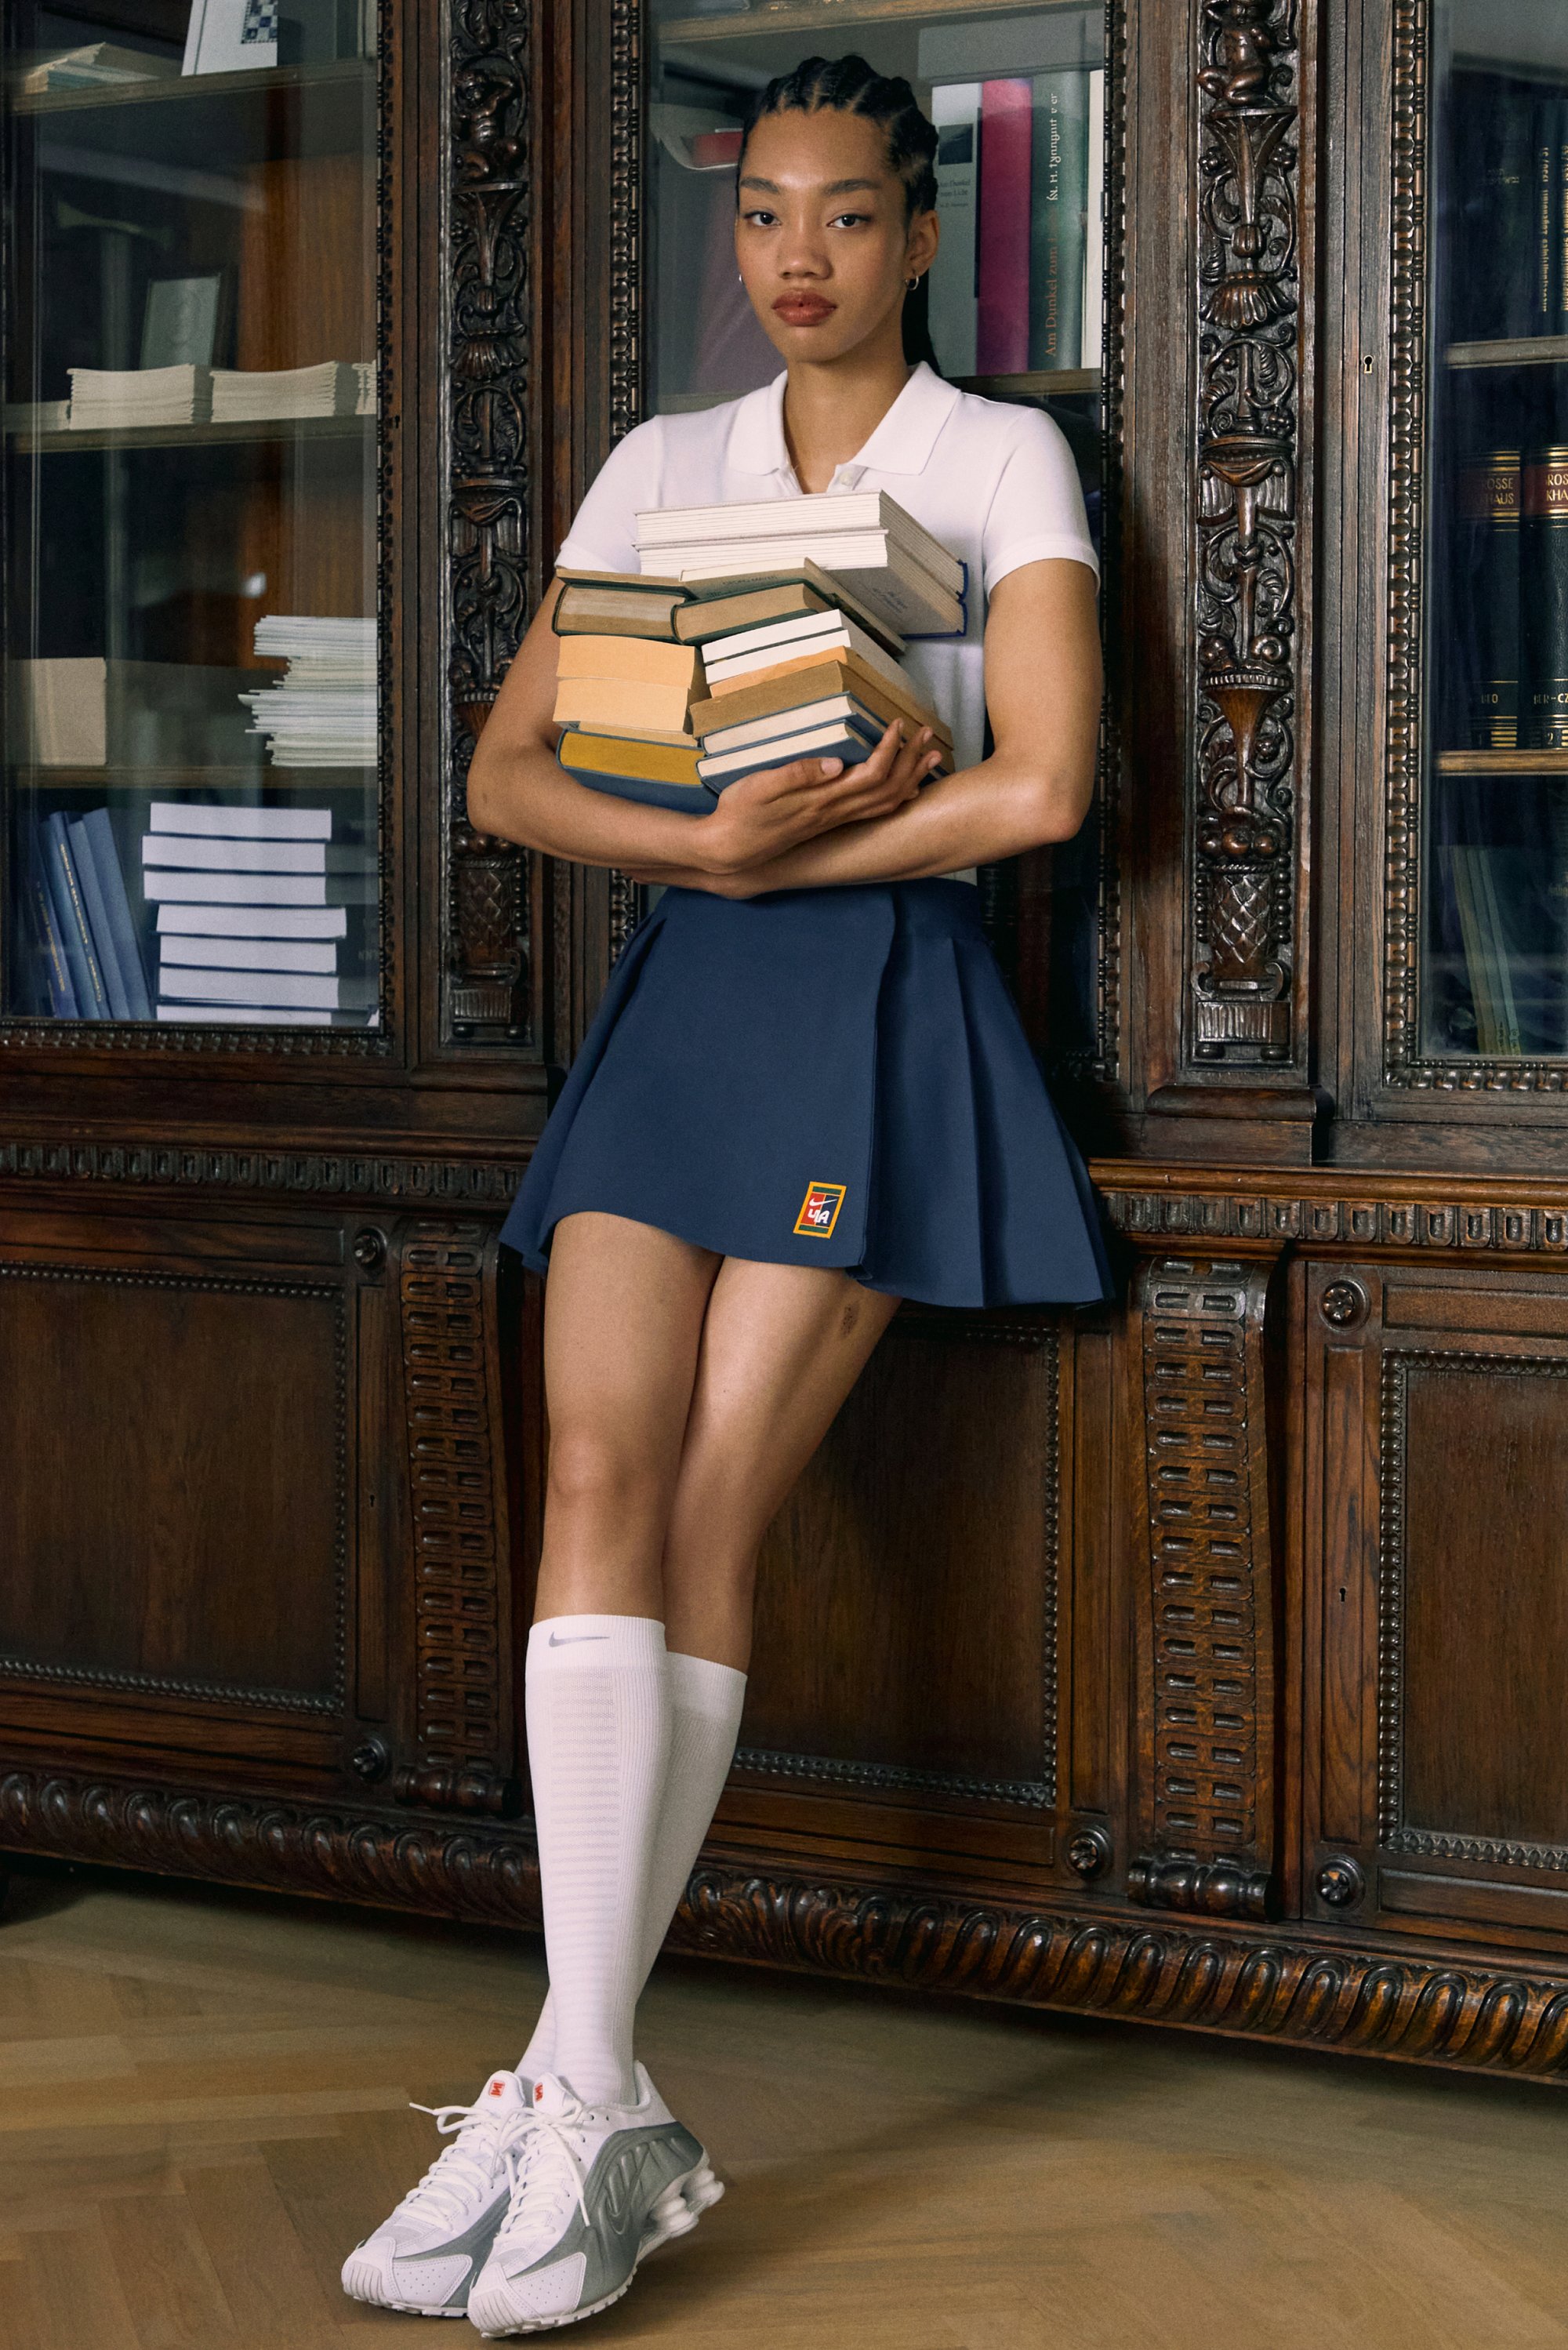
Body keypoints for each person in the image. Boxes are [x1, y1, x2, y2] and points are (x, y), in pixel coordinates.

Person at [342, 53, 1107, 2338]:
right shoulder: (658, 466)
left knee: (698, 1508)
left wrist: (831, 838)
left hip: (878, 1001)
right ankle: (591, 2092)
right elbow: (505, 772)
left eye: (848, 216)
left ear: (916, 233)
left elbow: (1049, 784)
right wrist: (702, 845)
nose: (798, 257)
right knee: (585, 1458)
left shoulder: (996, 455)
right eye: (763, 214)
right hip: (688, 988)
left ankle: (576, 2094)